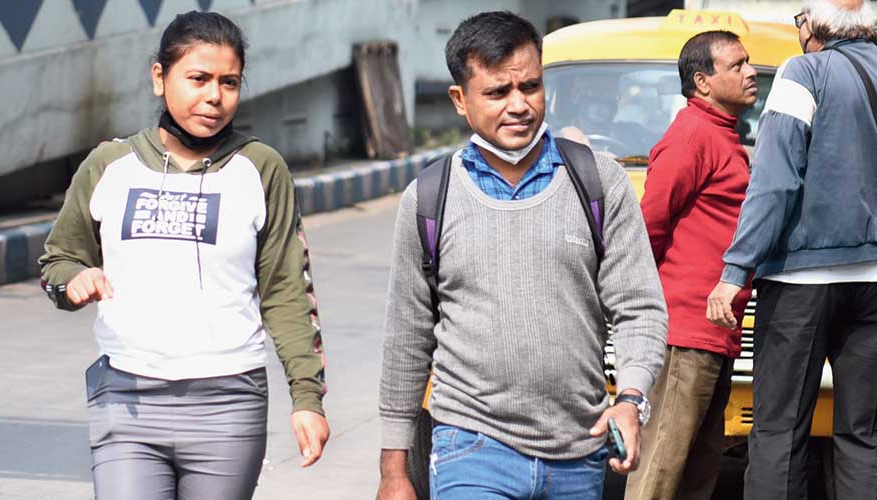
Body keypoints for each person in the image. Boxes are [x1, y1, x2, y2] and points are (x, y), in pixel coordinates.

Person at [376, 11, 668, 500]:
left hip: (580, 450)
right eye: (496, 93)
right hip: (470, 446)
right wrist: (393, 470)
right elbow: (406, 339)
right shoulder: (430, 198)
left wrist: (631, 398)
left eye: (530, 87)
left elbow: (639, 308)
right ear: (460, 100)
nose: (519, 106)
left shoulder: (598, 183)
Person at [38, 11, 329, 500]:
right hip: (126, 398)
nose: (214, 96)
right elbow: (58, 262)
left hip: (228, 401)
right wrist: (75, 282)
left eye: (229, 82)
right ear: (160, 78)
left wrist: (307, 397)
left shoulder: (261, 168)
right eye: (198, 79)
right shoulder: (110, 165)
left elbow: (287, 291)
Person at [707, 1, 877, 498]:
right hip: (873, 284)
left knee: (779, 432)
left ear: (814, 24)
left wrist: (735, 269)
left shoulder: (803, 72)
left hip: (801, 282)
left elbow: (775, 181)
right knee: (863, 436)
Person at [624, 30, 757, 500]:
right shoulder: (692, 136)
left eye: (748, 63)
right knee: (661, 465)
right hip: (685, 330)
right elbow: (648, 227)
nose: (750, 73)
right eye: (737, 65)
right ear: (702, 81)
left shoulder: (721, 135)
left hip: (715, 329)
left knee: (698, 468)